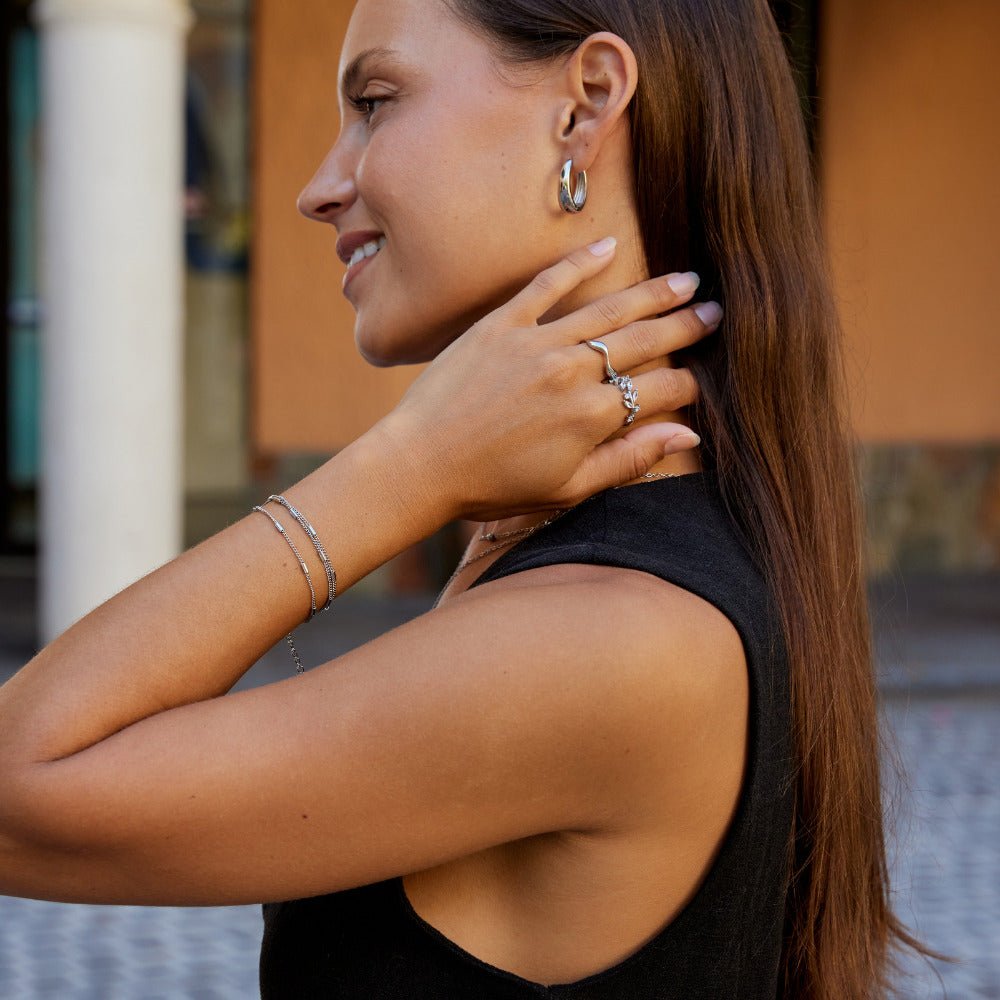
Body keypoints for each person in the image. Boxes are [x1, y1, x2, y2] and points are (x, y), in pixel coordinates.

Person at [0, 0, 926, 997]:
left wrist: (404, 466)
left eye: (376, 101)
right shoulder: (601, 560)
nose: (321, 186)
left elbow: (19, 786)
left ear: (586, 107)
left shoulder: (611, 640)